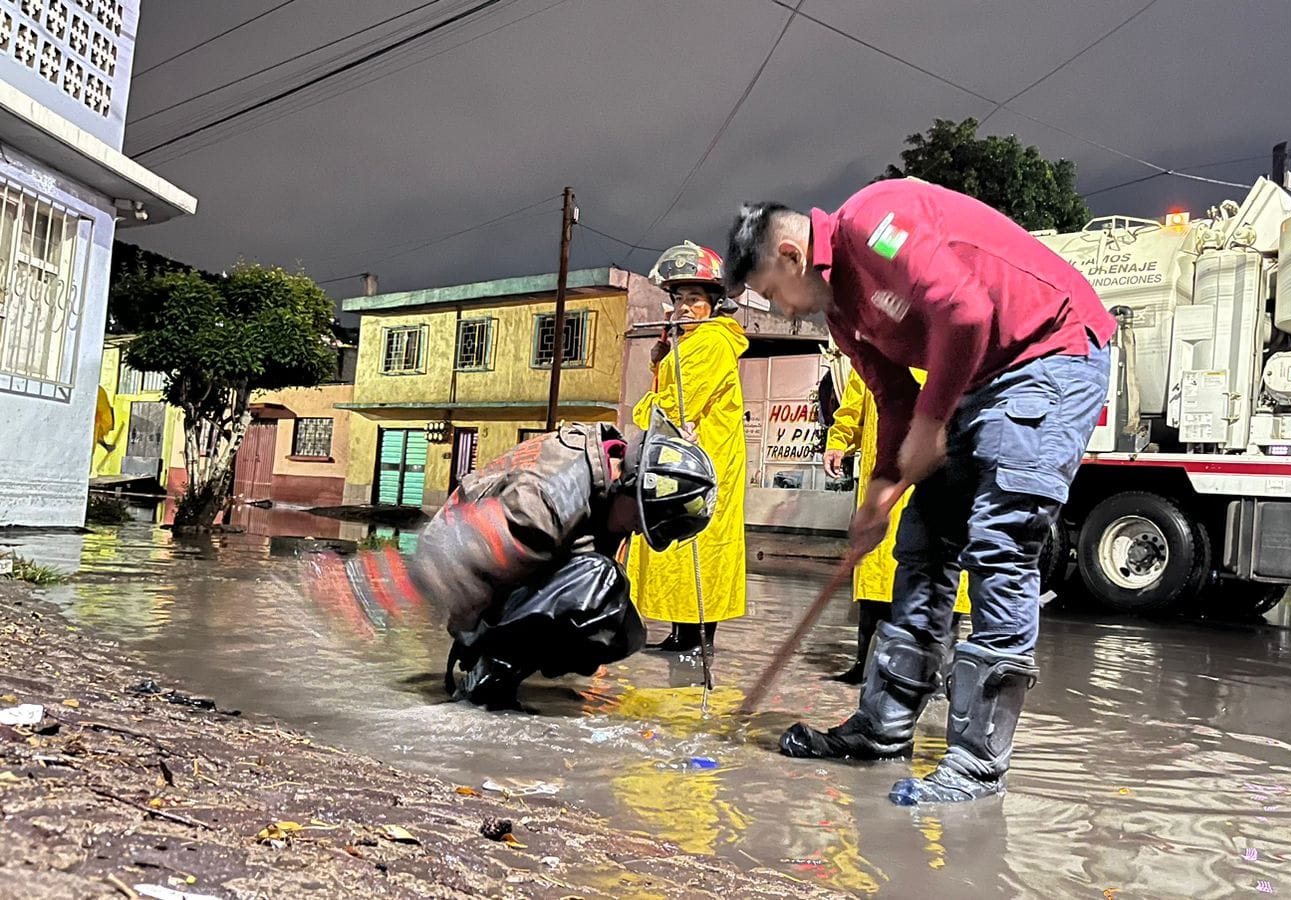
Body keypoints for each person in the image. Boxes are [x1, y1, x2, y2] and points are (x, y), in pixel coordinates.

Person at [724, 179, 1115, 805]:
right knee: (923, 545)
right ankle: (883, 729)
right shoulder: (844, 316)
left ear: (794, 257)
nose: (783, 312)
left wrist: (934, 425)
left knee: (1000, 543)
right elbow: (894, 398)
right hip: (980, 375)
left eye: (773, 292)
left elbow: (963, 311)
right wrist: (881, 486)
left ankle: (977, 767)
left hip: (1051, 351)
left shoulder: (877, 222)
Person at [401, 414, 718, 706]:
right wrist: (389, 584)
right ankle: (488, 675)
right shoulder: (549, 501)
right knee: (600, 584)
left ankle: (508, 658)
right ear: (630, 483)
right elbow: (451, 558)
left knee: (625, 631)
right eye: (640, 516)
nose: (636, 528)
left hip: (505, 578)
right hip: (473, 586)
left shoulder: (608, 467)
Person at [629, 242, 750, 653]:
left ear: (714, 305)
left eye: (694, 300)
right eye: (678, 299)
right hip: (691, 463)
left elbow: (670, 407)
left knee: (702, 547)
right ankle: (682, 633)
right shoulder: (688, 343)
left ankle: (699, 639)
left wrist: (646, 403)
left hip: (707, 465)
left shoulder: (712, 342)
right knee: (685, 547)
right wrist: (659, 362)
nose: (683, 308)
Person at [824, 365, 971, 684]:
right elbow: (854, 404)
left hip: (933, 480)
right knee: (875, 581)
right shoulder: (878, 347)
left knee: (935, 579)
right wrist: (839, 441)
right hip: (885, 479)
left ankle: (934, 673)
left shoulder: (949, 344)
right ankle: (864, 665)